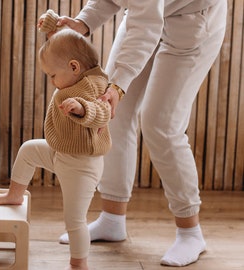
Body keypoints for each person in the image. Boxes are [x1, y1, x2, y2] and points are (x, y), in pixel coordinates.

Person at [53, 0, 228, 267]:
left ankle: (190, 232)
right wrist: (84, 21)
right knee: (113, 114)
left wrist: (118, 86)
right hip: (146, 12)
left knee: (161, 126)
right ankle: (112, 219)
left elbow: (146, 26)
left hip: (192, 19)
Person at [0, 28, 112, 270]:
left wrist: (82, 109)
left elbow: (103, 112)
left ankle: (79, 264)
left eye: (52, 75)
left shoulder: (92, 87)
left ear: (74, 67)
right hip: (60, 152)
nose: (52, 81)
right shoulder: (75, 79)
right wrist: (53, 28)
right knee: (28, 150)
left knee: (74, 220)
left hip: (81, 166)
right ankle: (14, 194)